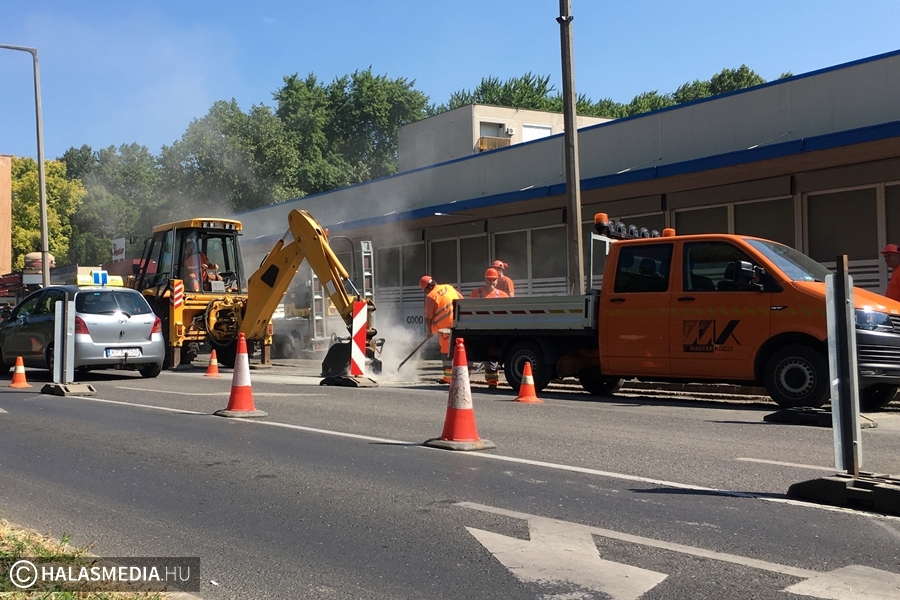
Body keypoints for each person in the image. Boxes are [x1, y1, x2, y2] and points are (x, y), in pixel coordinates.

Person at [469, 268, 509, 388]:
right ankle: (463, 380)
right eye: (489, 279)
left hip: (494, 330)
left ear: (497, 280)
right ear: (485, 279)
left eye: (494, 280)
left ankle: (492, 382)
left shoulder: (502, 295)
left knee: (491, 357)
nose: (491, 282)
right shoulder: (476, 293)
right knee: (470, 355)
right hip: (478, 329)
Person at [420, 275, 463, 384]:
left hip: (445, 329)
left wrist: (430, 331)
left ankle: (448, 378)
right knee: (459, 350)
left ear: (426, 288)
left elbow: (428, 317)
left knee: (446, 352)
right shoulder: (448, 287)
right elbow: (461, 299)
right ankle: (461, 375)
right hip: (459, 323)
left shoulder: (431, 296)